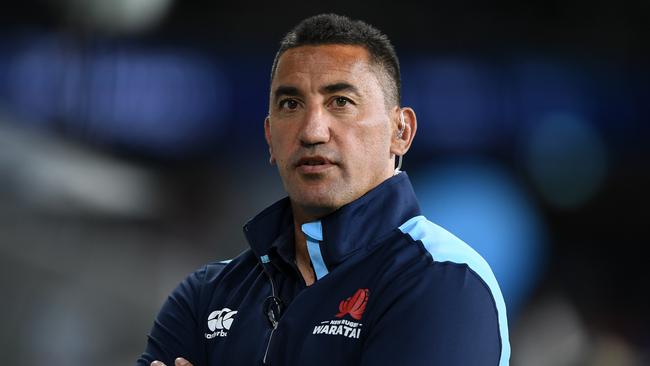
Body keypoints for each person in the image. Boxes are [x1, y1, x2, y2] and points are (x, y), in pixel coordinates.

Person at [136, 13, 510, 366]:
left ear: (401, 132)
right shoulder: (207, 295)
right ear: (269, 136)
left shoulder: (444, 281)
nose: (313, 131)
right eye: (291, 104)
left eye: (341, 102)